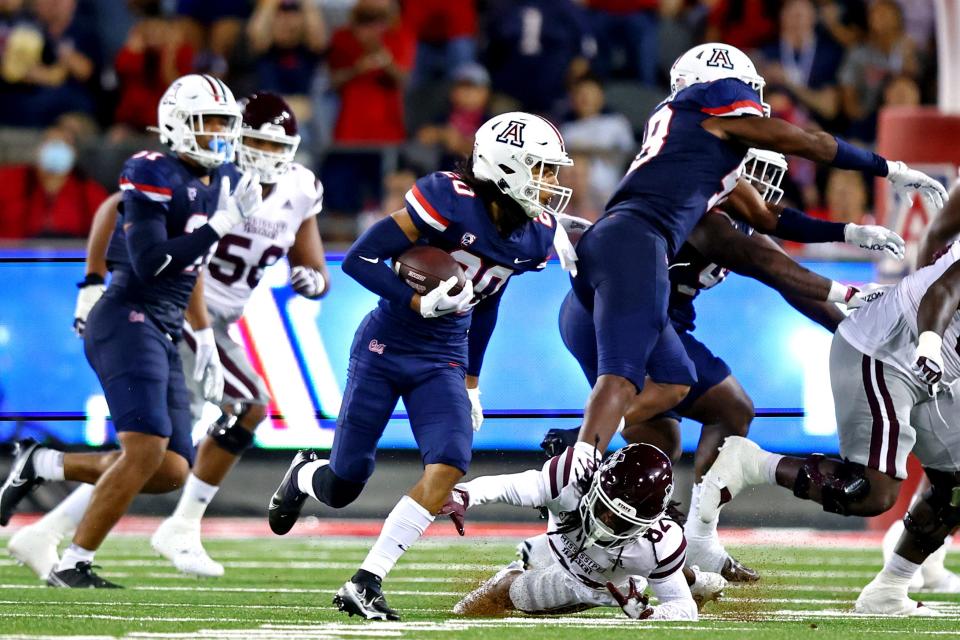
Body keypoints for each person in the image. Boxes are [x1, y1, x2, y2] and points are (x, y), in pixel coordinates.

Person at [564, 41, 946, 477]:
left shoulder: (699, 163)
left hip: (638, 302)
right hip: (624, 288)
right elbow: (773, 265)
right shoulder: (705, 194)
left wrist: (848, 233)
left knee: (666, 437)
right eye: (754, 161)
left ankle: (621, 515)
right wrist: (887, 171)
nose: (760, 179)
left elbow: (771, 220)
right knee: (708, 399)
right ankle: (575, 454)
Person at [266, 112, 583, 621]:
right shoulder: (448, 198)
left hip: (443, 356)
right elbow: (359, 259)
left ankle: (366, 580)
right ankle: (305, 475)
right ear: (505, 167)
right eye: (540, 169)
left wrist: (472, 381)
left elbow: (490, 302)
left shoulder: (534, 236)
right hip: (386, 345)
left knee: (451, 461)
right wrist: (415, 303)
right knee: (345, 482)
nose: (550, 183)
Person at [5, 92, 330, 581]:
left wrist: (314, 281)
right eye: (255, 142)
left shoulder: (300, 187)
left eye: (275, 146)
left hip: (214, 318)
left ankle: (45, 505)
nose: (264, 156)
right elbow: (120, 213)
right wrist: (92, 283)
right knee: (236, 411)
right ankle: (178, 526)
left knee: (161, 463)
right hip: (180, 308)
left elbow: (313, 263)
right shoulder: (215, 176)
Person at [543, 147, 897, 580]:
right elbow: (774, 268)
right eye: (751, 176)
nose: (760, 190)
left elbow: (788, 278)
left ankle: (616, 537)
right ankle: (679, 527)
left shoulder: (729, 215)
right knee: (727, 409)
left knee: (660, 442)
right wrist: (851, 297)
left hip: (633, 315)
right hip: (619, 310)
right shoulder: (701, 214)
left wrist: (851, 331)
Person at [696, 238, 960, 615]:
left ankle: (887, 592)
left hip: (941, 370)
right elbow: (945, 290)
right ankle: (752, 463)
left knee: (957, 487)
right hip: (890, 349)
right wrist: (931, 344)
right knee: (870, 491)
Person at [444, 443, 722, 620]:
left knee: (500, 593)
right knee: (525, 557)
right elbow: (510, 486)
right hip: (559, 540)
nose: (605, 522)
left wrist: (647, 614)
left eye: (621, 522)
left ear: (648, 522)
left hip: (595, 581)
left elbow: (684, 610)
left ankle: (687, 578)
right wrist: (465, 494)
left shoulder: (658, 542)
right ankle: (694, 579)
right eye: (604, 507)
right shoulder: (571, 481)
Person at [0, 124, 107, 238]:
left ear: (74, 153)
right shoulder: (8, 182)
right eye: (50, 143)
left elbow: (106, 236)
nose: (56, 149)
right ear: (38, 150)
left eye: (63, 144)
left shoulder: (90, 192)